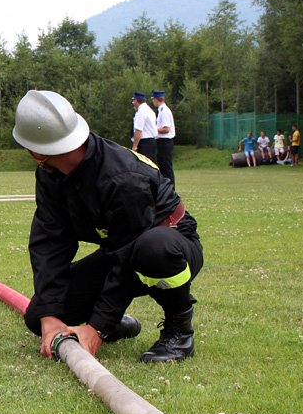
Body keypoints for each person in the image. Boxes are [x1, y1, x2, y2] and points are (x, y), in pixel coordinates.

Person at [13, 90, 203, 363]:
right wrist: (49, 315)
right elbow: (49, 241)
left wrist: (97, 327)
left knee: (152, 248)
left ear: (34, 150)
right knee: (37, 316)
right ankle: (117, 325)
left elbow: (128, 254)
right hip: (122, 249)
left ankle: (180, 333)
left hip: (170, 245)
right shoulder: (50, 176)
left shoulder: (122, 176)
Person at [152, 90, 176, 187]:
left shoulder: (164, 111)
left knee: (166, 167)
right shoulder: (161, 110)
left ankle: (170, 188)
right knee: (162, 166)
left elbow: (166, 129)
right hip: (162, 141)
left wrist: (154, 130)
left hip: (165, 141)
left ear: (156, 99)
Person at [131, 91, 157, 163]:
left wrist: (135, 146)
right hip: (151, 141)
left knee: (143, 165)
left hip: (144, 142)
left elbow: (138, 130)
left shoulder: (141, 112)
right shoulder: (149, 110)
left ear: (136, 100)